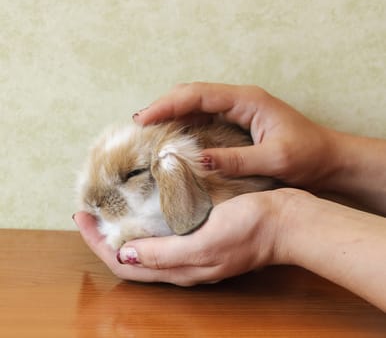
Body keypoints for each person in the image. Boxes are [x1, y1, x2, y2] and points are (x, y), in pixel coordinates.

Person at [73, 82, 386, 311]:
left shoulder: (177, 170)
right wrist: (330, 157)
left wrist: (283, 224)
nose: (98, 203)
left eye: (130, 175)